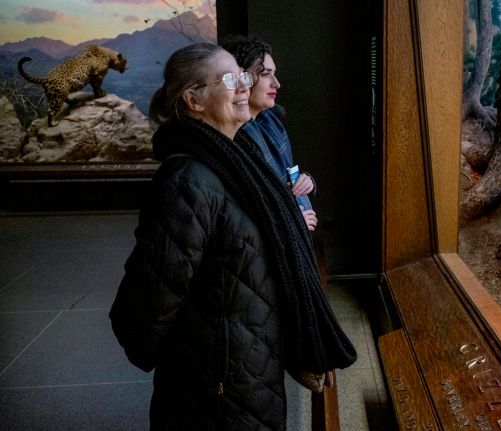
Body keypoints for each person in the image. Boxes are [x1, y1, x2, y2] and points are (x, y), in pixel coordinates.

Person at [109, 43, 356, 430]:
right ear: (194, 100)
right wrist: (206, 355)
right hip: (216, 390)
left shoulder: (238, 164)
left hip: (250, 371)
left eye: (243, 76)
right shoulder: (189, 182)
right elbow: (142, 314)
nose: (243, 86)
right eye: (230, 79)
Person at [221, 36, 318, 231]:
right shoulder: (234, 136)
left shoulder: (270, 121)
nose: (276, 83)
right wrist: (290, 220)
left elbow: (287, 173)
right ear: (240, 77)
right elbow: (241, 209)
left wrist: (306, 180)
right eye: (265, 74)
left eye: (274, 74)